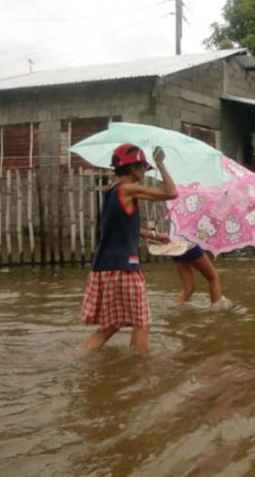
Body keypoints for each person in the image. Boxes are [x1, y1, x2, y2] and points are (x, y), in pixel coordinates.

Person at [79, 143, 178, 354]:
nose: (144, 171)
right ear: (133, 168)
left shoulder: (110, 190)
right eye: (143, 167)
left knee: (111, 326)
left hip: (103, 268)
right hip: (123, 267)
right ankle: (140, 373)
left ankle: (78, 359)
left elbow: (120, 225)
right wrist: (161, 164)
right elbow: (171, 192)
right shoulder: (128, 189)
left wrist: (153, 235)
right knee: (142, 322)